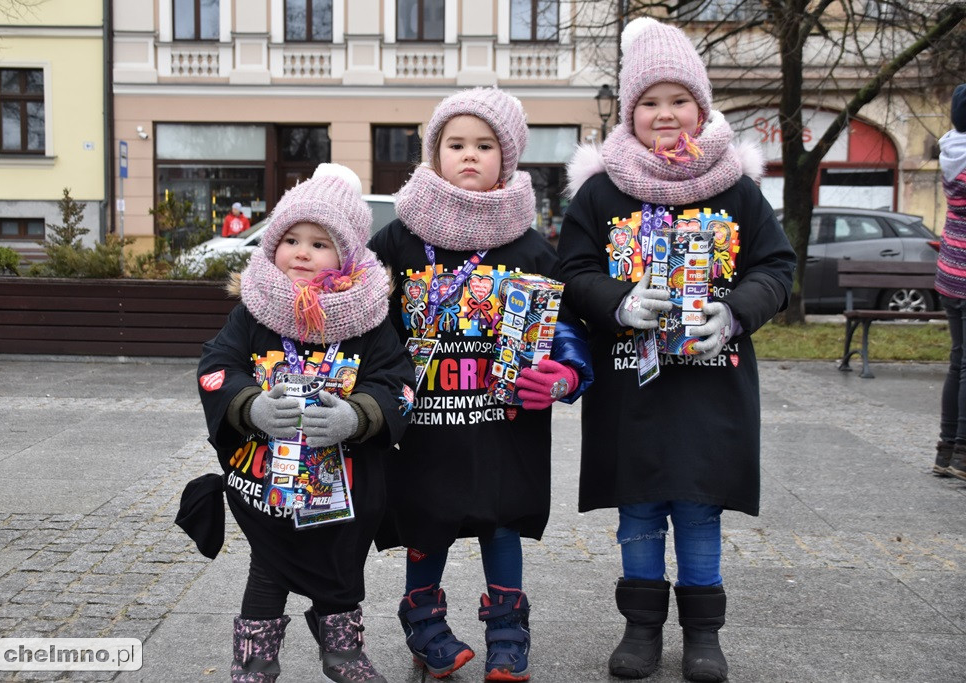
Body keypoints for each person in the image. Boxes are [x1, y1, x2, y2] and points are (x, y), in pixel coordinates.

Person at [557, 18, 796, 682]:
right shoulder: (602, 191)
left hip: (710, 386)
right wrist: (618, 302)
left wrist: (735, 312)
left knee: (698, 505)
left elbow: (776, 267)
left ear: (702, 106)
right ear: (629, 112)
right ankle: (640, 628)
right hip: (630, 387)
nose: (665, 114)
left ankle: (703, 635)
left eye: (679, 100)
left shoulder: (736, 187)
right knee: (638, 506)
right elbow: (572, 271)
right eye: (650, 102)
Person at [369, 87, 592, 681]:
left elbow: (565, 324)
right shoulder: (399, 239)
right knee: (425, 518)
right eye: (456, 144)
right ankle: (423, 622)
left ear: (507, 158)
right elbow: (366, 317)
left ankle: (508, 632)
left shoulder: (529, 246)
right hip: (424, 422)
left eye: (485, 145)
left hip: (503, 422)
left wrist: (568, 373)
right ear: (434, 153)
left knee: (502, 518)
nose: (470, 154)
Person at [196, 164, 415, 683]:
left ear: (348, 255)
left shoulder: (368, 319)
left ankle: (343, 652)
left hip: (344, 478)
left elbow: (397, 382)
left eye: (319, 244)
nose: (301, 252)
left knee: (341, 563)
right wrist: (250, 405)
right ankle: (255, 660)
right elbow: (217, 365)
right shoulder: (254, 311)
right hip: (268, 475)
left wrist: (356, 416)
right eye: (291, 240)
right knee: (268, 566)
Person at [934, 83, 966, 480]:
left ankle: (945, 450)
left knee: (959, 360)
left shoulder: (951, 151)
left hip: (950, 269)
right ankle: (962, 453)